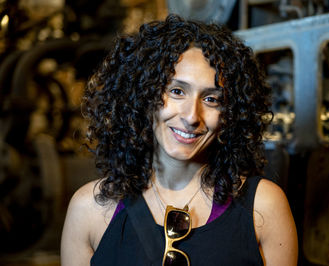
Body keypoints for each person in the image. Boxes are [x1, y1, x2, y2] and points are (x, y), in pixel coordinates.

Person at [60, 14, 298, 266]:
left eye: (211, 99)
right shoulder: (90, 209)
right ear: (143, 95)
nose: (191, 116)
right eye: (176, 91)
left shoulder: (264, 207)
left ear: (230, 114)